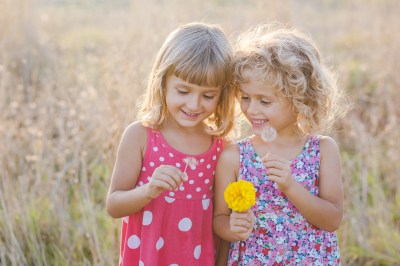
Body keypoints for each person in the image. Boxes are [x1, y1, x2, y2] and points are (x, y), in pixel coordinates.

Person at [213, 25, 346, 265]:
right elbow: (220, 219)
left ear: (300, 99)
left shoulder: (323, 150)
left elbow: (332, 219)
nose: (251, 110)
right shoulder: (234, 155)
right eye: (245, 97)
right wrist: (234, 229)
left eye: (264, 101)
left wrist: (290, 186)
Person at [106, 22, 237, 265]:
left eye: (208, 95)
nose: (194, 105)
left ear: (222, 95)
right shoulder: (141, 136)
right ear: (163, 82)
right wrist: (148, 191)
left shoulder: (222, 148)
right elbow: (114, 205)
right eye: (183, 91)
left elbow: (222, 219)